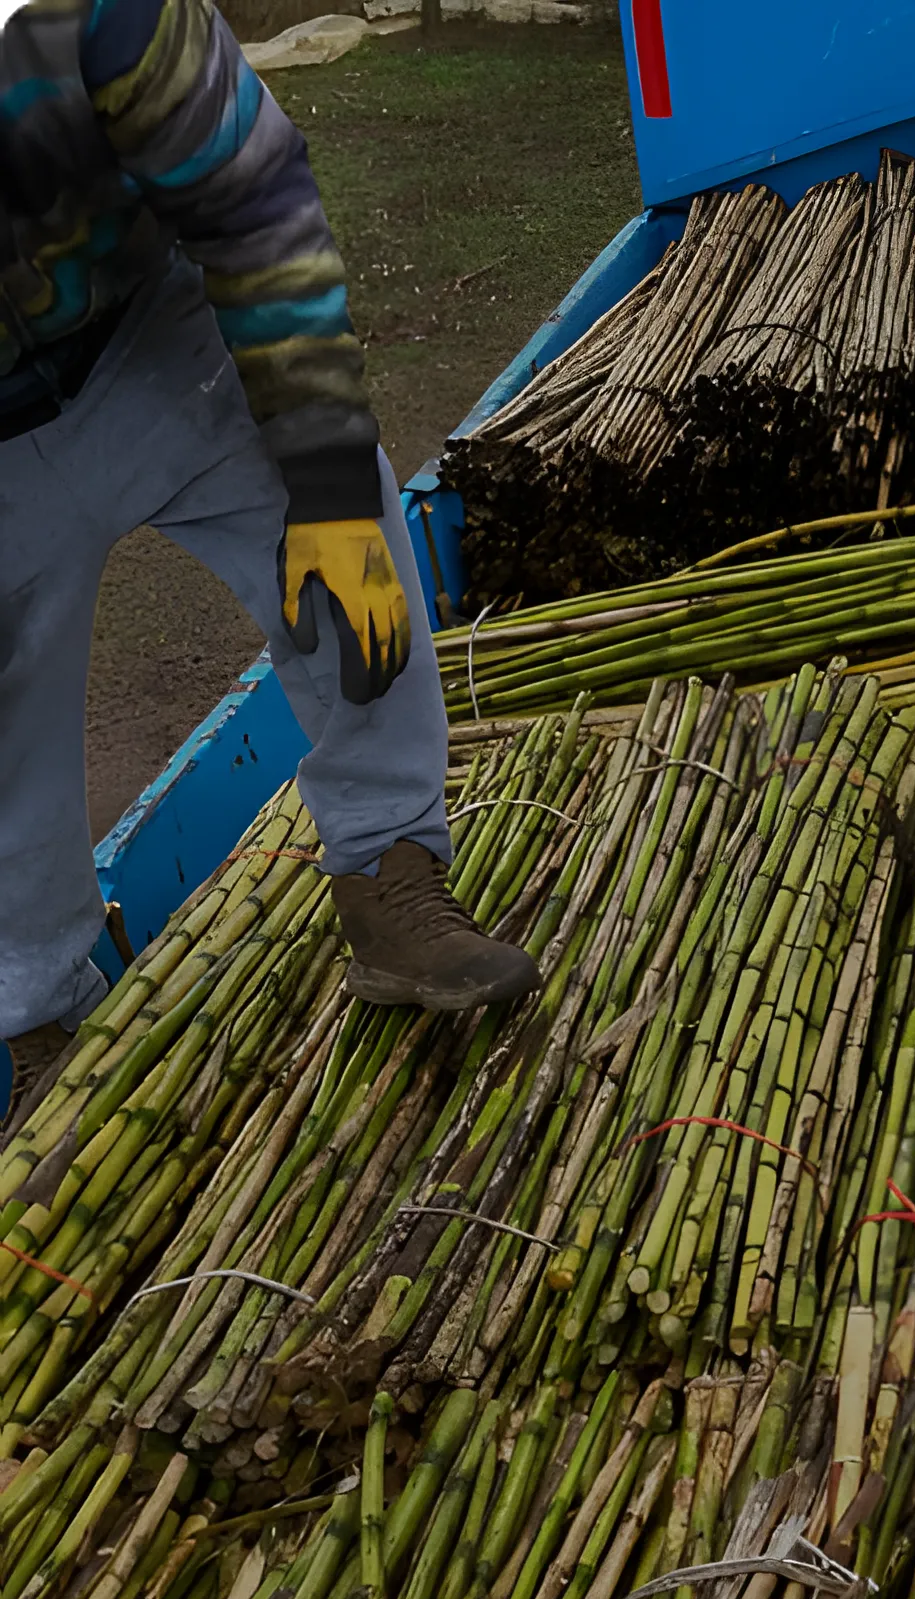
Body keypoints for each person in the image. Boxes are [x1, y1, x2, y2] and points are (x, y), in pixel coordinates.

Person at [1, 0, 540, 1139]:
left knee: (343, 535)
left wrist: (331, 487)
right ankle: (40, 1024)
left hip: (154, 337)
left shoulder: (94, 18)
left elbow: (251, 199)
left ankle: (390, 869)